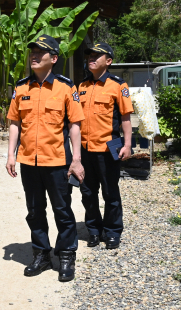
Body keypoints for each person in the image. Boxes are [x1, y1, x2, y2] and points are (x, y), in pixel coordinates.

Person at [5, 34, 85, 282]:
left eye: (41, 52)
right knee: (34, 210)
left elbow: (74, 125)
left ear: (54, 58)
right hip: (29, 161)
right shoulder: (21, 87)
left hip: (57, 160)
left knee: (62, 210)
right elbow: (15, 123)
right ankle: (40, 253)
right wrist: (11, 154)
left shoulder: (65, 87)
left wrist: (77, 160)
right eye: (33, 51)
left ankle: (66, 254)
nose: (34, 55)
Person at [78, 43, 134, 250]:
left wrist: (127, 144)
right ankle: (93, 230)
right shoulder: (81, 86)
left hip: (110, 144)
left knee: (110, 192)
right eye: (89, 55)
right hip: (85, 148)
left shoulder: (118, 85)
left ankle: (112, 231)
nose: (91, 58)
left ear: (108, 61)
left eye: (96, 56)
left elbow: (126, 117)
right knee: (87, 192)